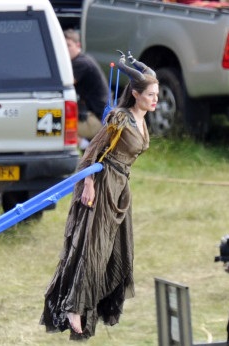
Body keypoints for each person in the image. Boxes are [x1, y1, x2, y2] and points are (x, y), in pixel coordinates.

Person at [40, 51, 159, 341]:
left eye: (157, 94)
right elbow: (89, 155)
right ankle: (73, 307)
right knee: (93, 249)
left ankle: (96, 303)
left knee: (115, 251)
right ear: (135, 94)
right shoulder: (120, 118)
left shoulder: (142, 121)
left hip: (121, 188)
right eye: (151, 94)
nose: (156, 99)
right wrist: (90, 186)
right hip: (102, 186)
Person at [64, 29, 110, 149]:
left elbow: (63, 84)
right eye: (63, 45)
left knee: (58, 126)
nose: (65, 49)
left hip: (100, 121)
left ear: (78, 45)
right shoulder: (78, 61)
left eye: (68, 45)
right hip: (91, 116)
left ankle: (89, 147)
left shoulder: (81, 63)